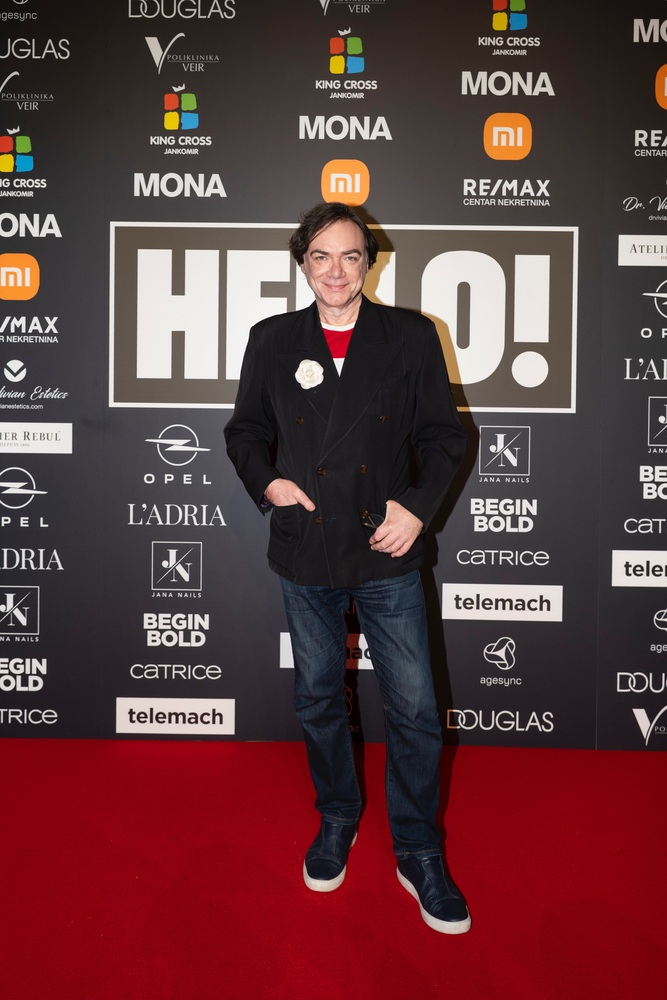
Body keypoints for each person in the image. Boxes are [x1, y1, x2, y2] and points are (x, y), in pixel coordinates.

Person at [225, 202, 470, 934]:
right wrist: (269, 484)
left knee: (415, 709)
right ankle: (337, 815)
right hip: (307, 544)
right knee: (317, 697)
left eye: (351, 255)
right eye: (321, 256)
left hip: (386, 544)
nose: (336, 270)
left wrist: (416, 508)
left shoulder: (410, 335)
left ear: (370, 262)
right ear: (303, 264)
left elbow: (444, 437)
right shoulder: (271, 339)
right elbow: (244, 432)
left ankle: (418, 849)